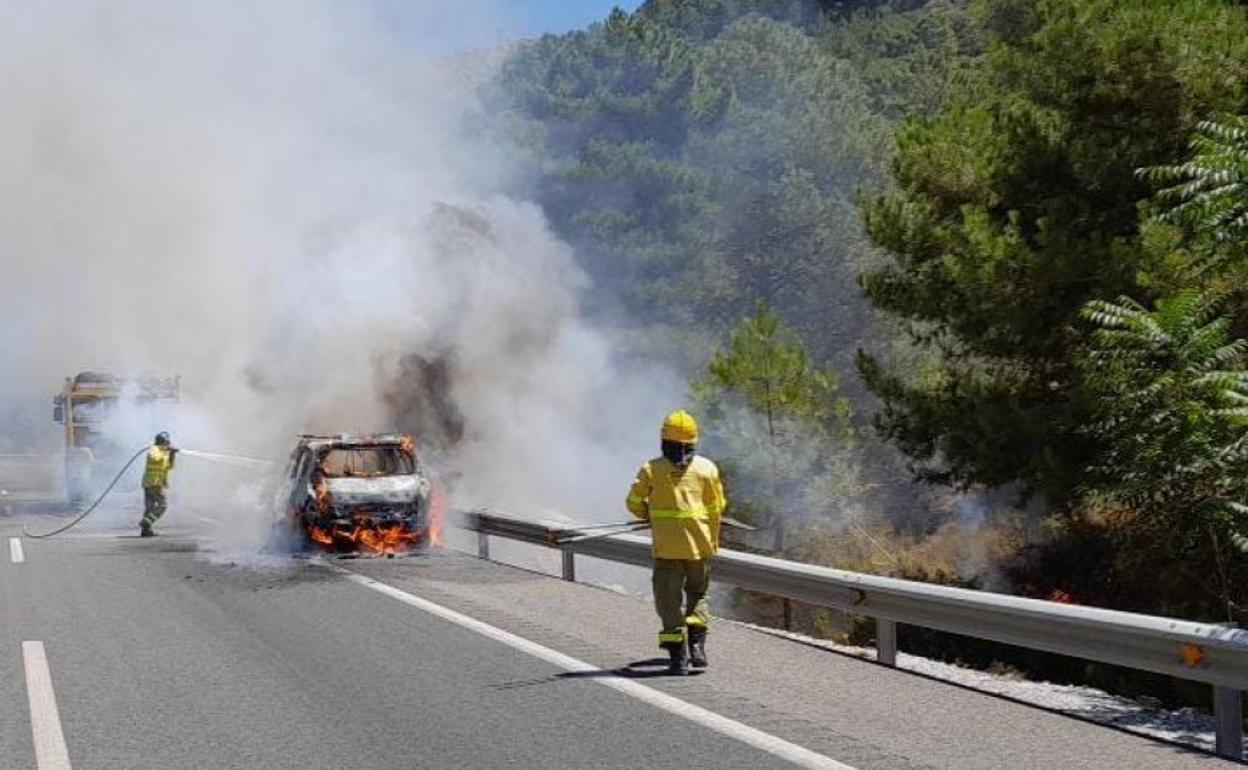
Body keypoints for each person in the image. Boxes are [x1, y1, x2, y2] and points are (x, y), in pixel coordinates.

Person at [626, 410, 727, 675]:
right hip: (699, 548)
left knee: (668, 603)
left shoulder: (652, 469)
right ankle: (697, 646)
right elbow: (717, 508)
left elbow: (633, 503)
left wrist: (649, 514)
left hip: (668, 550)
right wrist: (712, 542)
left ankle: (677, 658)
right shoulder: (707, 469)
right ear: (693, 441)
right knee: (698, 594)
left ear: (664, 439)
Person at [140, 432, 177, 537]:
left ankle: (146, 530)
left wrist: (172, 455)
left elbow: (169, 467)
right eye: (167, 443)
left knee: (150, 508)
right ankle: (146, 522)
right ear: (163, 442)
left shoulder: (162, 451)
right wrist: (166, 451)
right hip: (154, 483)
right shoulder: (154, 449)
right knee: (162, 506)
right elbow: (154, 458)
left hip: (151, 483)